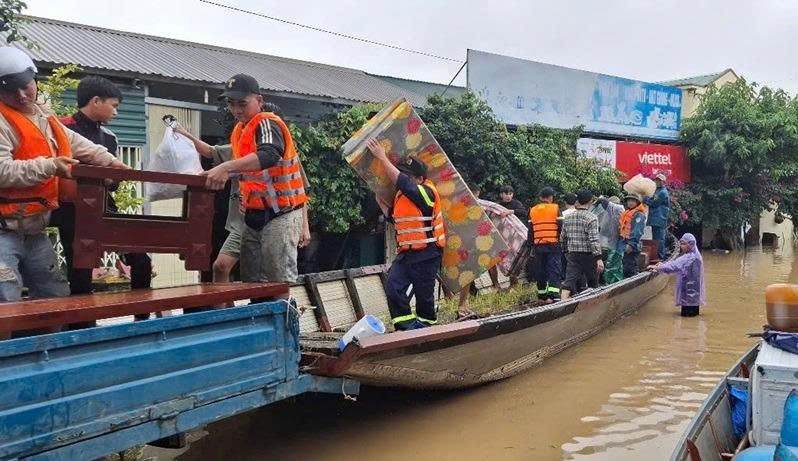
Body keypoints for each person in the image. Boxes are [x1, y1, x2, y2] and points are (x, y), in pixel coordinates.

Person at [0, 47, 129, 303]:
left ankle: (49, 344)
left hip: (34, 229)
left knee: (54, 296)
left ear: (35, 80)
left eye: (25, 86)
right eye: (9, 90)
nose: (21, 95)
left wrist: (114, 163)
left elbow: (77, 143)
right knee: (6, 300)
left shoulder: (43, 116)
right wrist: (51, 166)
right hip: (3, 230)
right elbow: (2, 171)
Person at [175, 102, 310, 283]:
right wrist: (183, 134)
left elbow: (299, 194)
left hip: (277, 218)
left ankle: (278, 306)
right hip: (245, 221)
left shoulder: (283, 154)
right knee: (224, 267)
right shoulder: (239, 147)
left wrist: (304, 227)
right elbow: (210, 151)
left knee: (274, 276)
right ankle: (227, 308)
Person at [52, 76, 154, 307]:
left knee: (141, 260)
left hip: (104, 206)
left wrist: (110, 180)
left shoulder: (109, 138)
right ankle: (82, 324)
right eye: (114, 106)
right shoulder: (60, 128)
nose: (116, 113)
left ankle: (141, 319)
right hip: (70, 209)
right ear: (96, 101)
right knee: (81, 268)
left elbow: (116, 180)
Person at [201, 74, 308, 290]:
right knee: (253, 281)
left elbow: (270, 154)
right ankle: (254, 321)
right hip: (253, 215)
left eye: (242, 103)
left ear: (259, 101)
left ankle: (283, 321)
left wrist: (226, 167)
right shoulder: (240, 132)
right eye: (231, 104)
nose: (236, 109)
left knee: (277, 282)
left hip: (281, 213)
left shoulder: (267, 122)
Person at [367, 138, 445, 331]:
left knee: (424, 296)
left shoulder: (427, 192)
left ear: (420, 179)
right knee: (394, 287)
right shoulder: (402, 196)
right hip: (406, 253)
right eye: (404, 174)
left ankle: (427, 329)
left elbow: (404, 183)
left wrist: (382, 158)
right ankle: (406, 327)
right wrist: (380, 200)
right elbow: (395, 219)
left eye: (409, 176)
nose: (404, 178)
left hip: (427, 253)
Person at [457, 184, 502, 318]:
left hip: (473, 241)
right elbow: (499, 210)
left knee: (471, 269)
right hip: (473, 242)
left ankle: (467, 300)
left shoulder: (473, 204)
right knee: (472, 269)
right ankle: (467, 299)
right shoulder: (468, 204)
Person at [648, 233, 705, 317]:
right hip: (693, 293)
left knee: (687, 318)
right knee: (693, 318)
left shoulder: (690, 257)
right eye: (681, 244)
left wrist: (658, 267)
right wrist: (662, 264)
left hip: (688, 292)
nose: (682, 246)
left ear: (691, 244)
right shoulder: (695, 255)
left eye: (684, 244)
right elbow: (676, 263)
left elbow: (675, 266)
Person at [560, 190, 603, 299]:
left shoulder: (568, 217)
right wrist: (598, 258)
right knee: (593, 282)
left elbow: (563, 237)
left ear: (577, 201)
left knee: (569, 281)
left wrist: (565, 251)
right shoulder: (592, 218)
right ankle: (593, 306)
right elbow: (594, 239)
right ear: (590, 202)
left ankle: (562, 304)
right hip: (589, 255)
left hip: (573, 254)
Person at [528, 187, 563, 302]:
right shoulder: (555, 208)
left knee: (541, 270)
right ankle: (553, 295)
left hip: (538, 245)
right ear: (551, 197)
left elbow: (531, 231)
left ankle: (542, 295)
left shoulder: (532, 210)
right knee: (554, 269)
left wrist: (531, 246)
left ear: (540, 198)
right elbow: (561, 227)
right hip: (553, 244)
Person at [593, 195, 624, 284]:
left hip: (613, 245)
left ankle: (610, 283)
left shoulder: (618, 210)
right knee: (604, 266)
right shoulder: (604, 213)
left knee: (612, 266)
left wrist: (601, 198)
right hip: (604, 245)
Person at [618, 193, 648, 278]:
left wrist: (631, 244)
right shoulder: (627, 212)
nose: (630, 202)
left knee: (630, 267)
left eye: (633, 201)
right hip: (624, 242)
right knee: (625, 265)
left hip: (632, 244)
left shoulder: (639, 215)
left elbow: (637, 231)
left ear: (637, 202)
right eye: (629, 200)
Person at [644, 172, 670, 260]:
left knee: (659, 238)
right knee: (655, 238)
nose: (658, 182)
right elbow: (651, 200)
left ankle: (660, 257)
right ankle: (657, 256)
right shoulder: (656, 190)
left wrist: (645, 199)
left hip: (659, 219)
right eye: (657, 180)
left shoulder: (663, 192)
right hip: (655, 218)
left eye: (660, 181)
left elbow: (654, 203)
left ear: (663, 182)